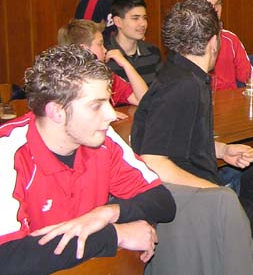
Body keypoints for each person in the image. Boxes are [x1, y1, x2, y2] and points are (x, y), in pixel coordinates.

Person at [131, 0, 253, 275]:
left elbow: (180, 141)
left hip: (206, 197)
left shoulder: (184, 74)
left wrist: (222, 150)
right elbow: (152, 159)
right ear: (213, 42)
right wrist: (216, 193)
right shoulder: (182, 86)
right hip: (198, 207)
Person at [0, 44, 175, 274]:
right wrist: (114, 235)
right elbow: (8, 258)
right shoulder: (9, 153)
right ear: (57, 111)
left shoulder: (103, 139)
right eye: (96, 106)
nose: (110, 115)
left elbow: (162, 202)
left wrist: (107, 213)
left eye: (109, 101)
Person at [58, 19, 148, 106]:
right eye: (100, 44)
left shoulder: (108, 77)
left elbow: (144, 100)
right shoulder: (61, 83)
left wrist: (126, 64)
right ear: (84, 49)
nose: (105, 50)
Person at [188, 0, 251, 90]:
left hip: (230, 98)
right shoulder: (187, 43)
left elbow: (249, 77)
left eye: (218, 3)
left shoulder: (231, 39)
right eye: (208, 5)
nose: (215, 9)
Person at [105, 0, 162, 85]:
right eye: (135, 18)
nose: (143, 24)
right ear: (118, 21)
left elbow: (161, 90)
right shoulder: (104, 54)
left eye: (144, 18)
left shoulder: (153, 52)